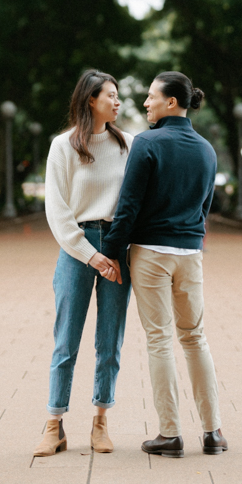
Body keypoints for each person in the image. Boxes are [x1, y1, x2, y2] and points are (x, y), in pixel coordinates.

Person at [101, 70, 226, 459]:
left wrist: (110, 252)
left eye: (152, 97)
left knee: (159, 339)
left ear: (171, 102)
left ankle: (170, 434)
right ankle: (213, 433)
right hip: (190, 255)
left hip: (151, 254)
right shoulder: (207, 150)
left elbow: (129, 205)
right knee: (195, 338)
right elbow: (205, 208)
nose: (145, 103)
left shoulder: (148, 143)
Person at [35, 70, 131, 457]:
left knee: (110, 341)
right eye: (110, 94)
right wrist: (92, 255)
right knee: (66, 340)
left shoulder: (128, 144)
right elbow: (57, 211)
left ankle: (101, 420)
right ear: (91, 99)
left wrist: (115, 252)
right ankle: (54, 424)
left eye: (118, 94)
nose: (118, 101)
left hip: (117, 244)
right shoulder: (63, 147)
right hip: (77, 248)